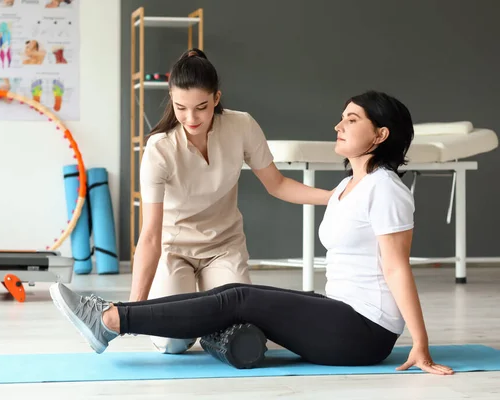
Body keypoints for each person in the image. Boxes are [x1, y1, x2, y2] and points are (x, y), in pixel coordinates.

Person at [50, 89, 455, 375]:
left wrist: (420, 343)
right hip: (342, 313)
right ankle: (122, 320)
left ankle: (108, 318)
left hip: (366, 331)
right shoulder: (348, 187)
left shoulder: (386, 188)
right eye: (342, 116)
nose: (338, 125)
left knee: (240, 296)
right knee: (231, 298)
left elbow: (397, 267)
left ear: (381, 135)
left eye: (352, 120)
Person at [126, 48, 333, 354]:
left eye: (201, 107)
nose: (191, 118)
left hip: (223, 247)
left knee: (236, 322)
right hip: (175, 249)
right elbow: (151, 236)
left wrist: (335, 197)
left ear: (217, 98)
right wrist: (131, 311)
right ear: (171, 99)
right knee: (172, 342)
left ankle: (213, 323)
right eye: (181, 107)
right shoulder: (159, 149)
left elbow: (277, 184)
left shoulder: (242, 126)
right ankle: (202, 322)